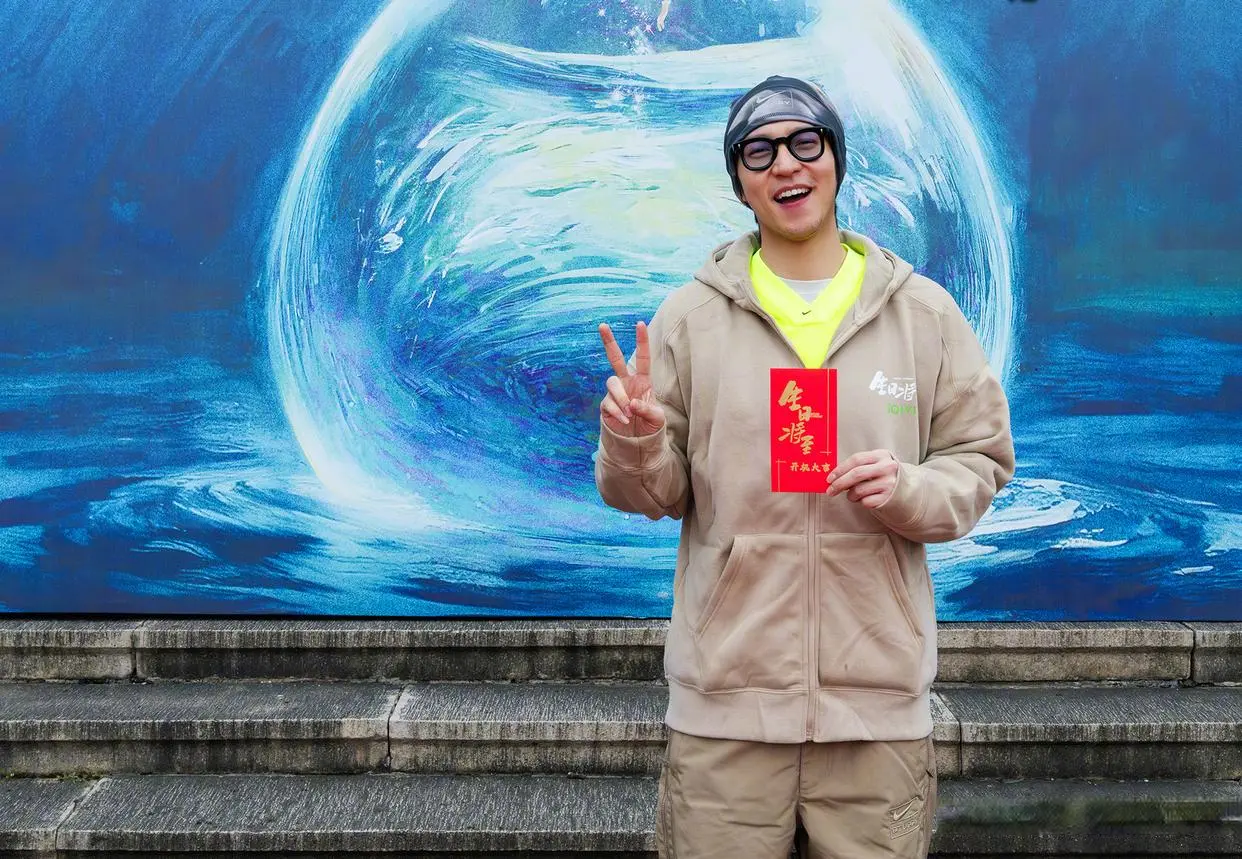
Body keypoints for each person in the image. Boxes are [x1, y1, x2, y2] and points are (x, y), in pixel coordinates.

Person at [594, 75, 1015, 858]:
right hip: (727, 709)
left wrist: (909, 488)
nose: (785, 164)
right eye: (758, 152)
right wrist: (636, 439)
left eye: (804, 143)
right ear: (739, 182)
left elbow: (980, 460)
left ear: (836, 160)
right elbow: (651, 493)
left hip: (876, 710)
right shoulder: (691, 317)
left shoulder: (922, 313)